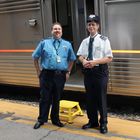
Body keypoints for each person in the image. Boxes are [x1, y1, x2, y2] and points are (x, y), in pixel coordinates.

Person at [32, 22, 76, 129]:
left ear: (61, 31)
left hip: (60, 76)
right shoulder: (44, 43)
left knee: (57, 98)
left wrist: (68, 72)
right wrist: (38, 72)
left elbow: (72, 59)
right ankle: (41, 119)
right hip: (46, 75)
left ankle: (55, 119)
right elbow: (35, 57)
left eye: (59, 29)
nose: (57, 31)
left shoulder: (67, 44)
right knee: (44, 98)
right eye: (55, 29)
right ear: (52, 31)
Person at [77, 14, 113, 134]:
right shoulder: (85, 41)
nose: (91, 26)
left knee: (101, 98)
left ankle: (103, 123)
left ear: (98, 26)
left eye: (93, 24)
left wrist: (94, 62)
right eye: (89, 24)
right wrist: (84, 61)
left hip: (100, 72)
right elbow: (80, 55)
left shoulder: (104, 40)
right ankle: (92, 121)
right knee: (90, 98)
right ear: (87, 26)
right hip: (88, 72)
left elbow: (109, 58)